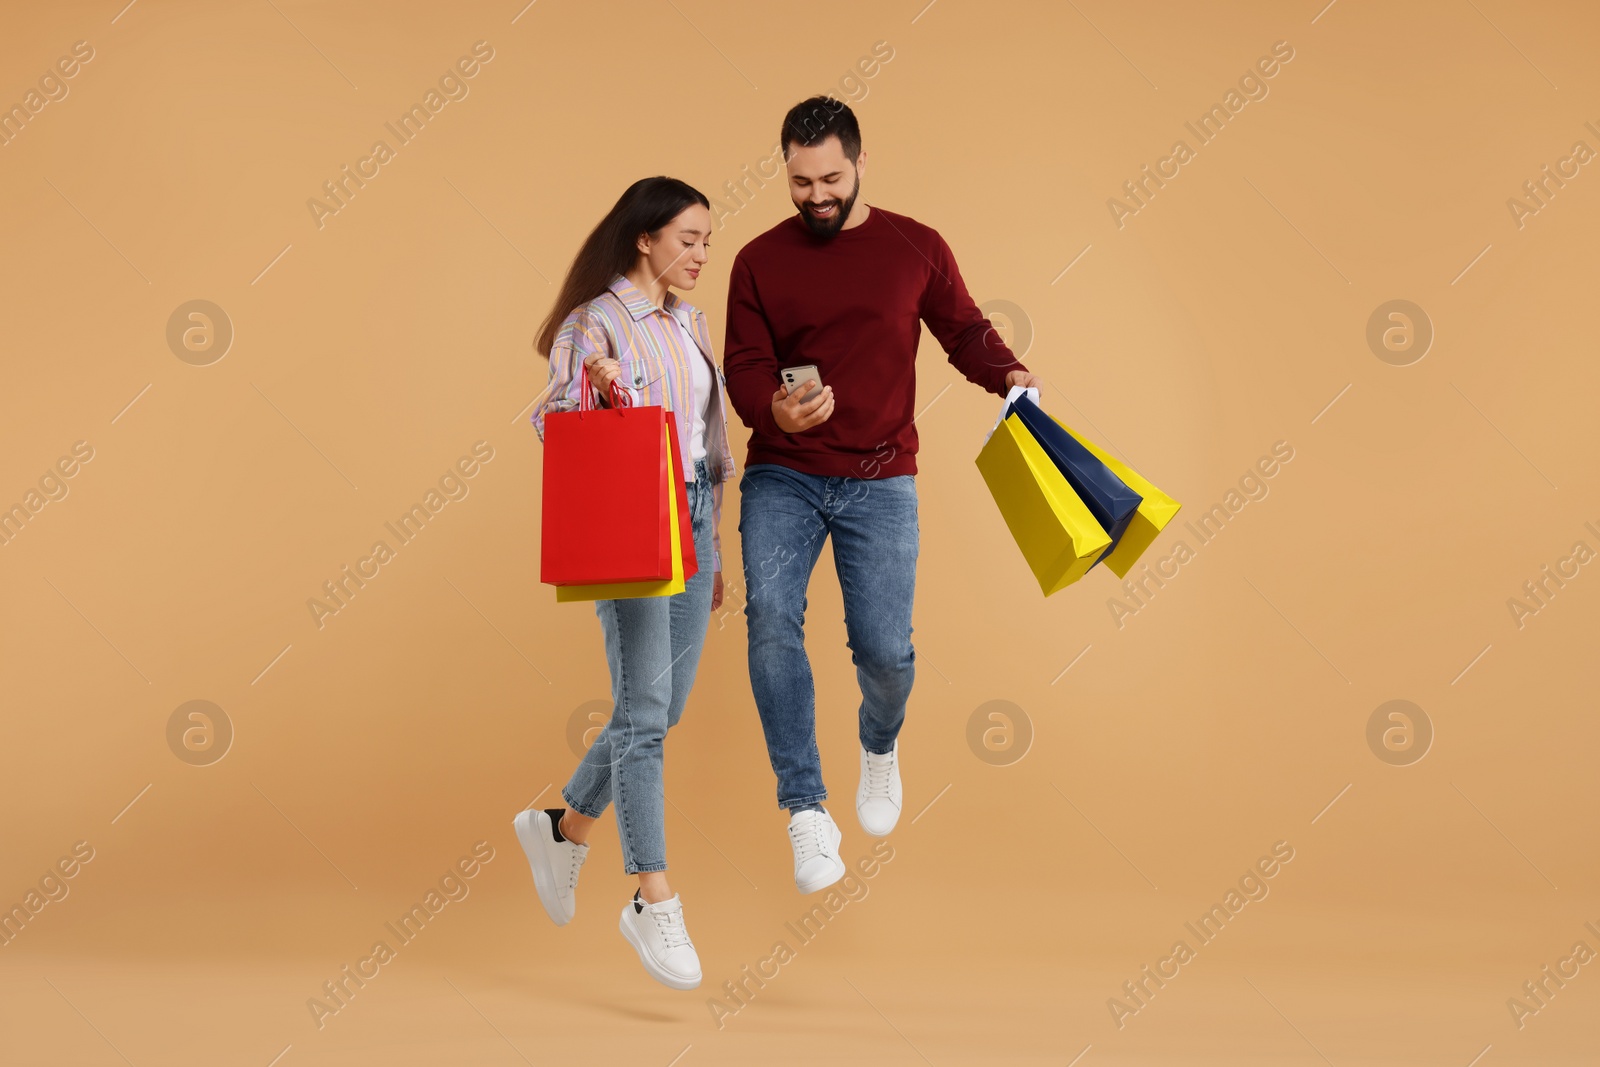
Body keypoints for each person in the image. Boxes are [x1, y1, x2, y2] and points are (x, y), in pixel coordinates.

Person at [723, 98, 1043, 894]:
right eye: (800, 181)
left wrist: (1008, 371)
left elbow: (962, 329)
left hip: (880, 478)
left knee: (886, 652)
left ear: (861, 163)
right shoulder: (759, 259)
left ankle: (879, 741)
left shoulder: (915, 245)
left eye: (831, 177)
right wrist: (774, 408)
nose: (817, 194)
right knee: (770, 620)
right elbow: (745, 365)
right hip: (784, 475)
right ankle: (805, 809)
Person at [518, 176, 736, 990]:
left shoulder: (690, 321)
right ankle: (653, 895)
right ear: (644, 237)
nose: (700, 254)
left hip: (695, 520)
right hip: (633, 516)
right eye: (687, 237)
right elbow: (551, 419)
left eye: (708, 240)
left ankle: (564, 826)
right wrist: (594, 385)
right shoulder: (595, 321)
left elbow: (707, 438)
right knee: (644, 717)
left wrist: (713, 545)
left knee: (664, 706)